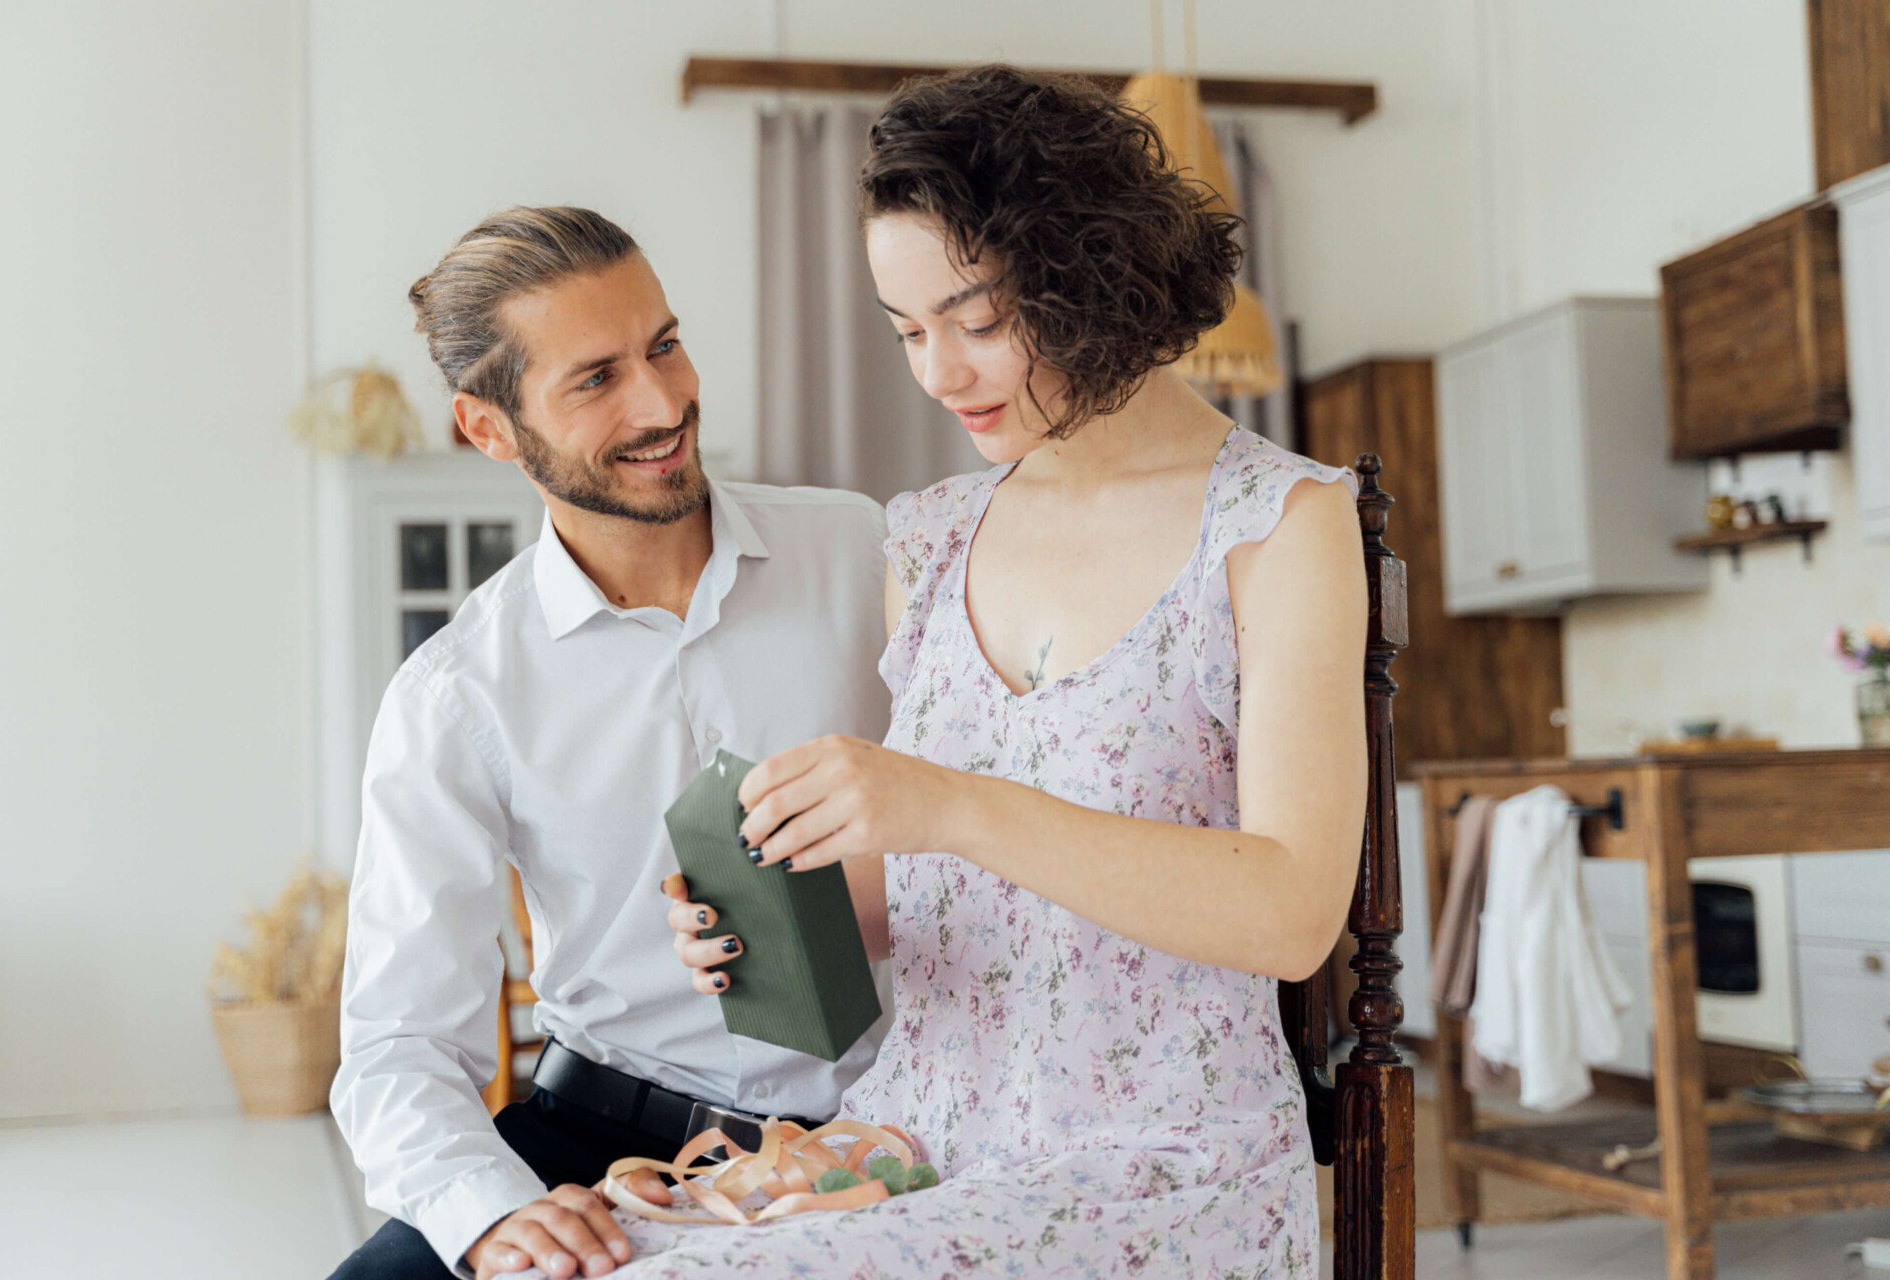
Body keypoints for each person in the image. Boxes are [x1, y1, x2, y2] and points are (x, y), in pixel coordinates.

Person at [636, 66, 1370, 1278]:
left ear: (1095, 276)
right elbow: (937, 894)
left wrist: (949, 802)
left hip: (1160, 1170)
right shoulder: (927, 539)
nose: (938, 373)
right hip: (916, 1143)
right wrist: (776, 908)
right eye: (909, 331)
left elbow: (1291, 913)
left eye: (977, 322)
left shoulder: (1278, 524)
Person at [327, 206, 893, 1280]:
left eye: (665, 345)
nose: (665, 401)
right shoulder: (456, 694)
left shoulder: (861, 552)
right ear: (490, 428)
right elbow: (399, 1041)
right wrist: (489, 1211)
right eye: (596, 378)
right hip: (608, 1142)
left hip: (892, 1126)